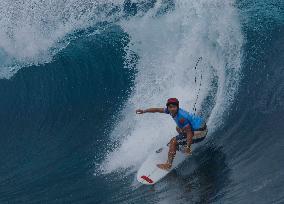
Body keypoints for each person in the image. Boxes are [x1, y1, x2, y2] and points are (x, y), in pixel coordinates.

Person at [136, 98, 207, 170]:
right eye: (170, 107)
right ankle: (181, 145)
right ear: (167, 107)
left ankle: (168, 165)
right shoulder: (169, 111)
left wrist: (188, 147)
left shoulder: (181, 118)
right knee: (178, 128)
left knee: (173, 141)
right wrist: (143, 111)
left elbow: (189, 133)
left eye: (174, 107)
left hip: (200, 132)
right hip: (198, 126)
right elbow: (156, 110)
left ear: (177, 107)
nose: (172, 109)